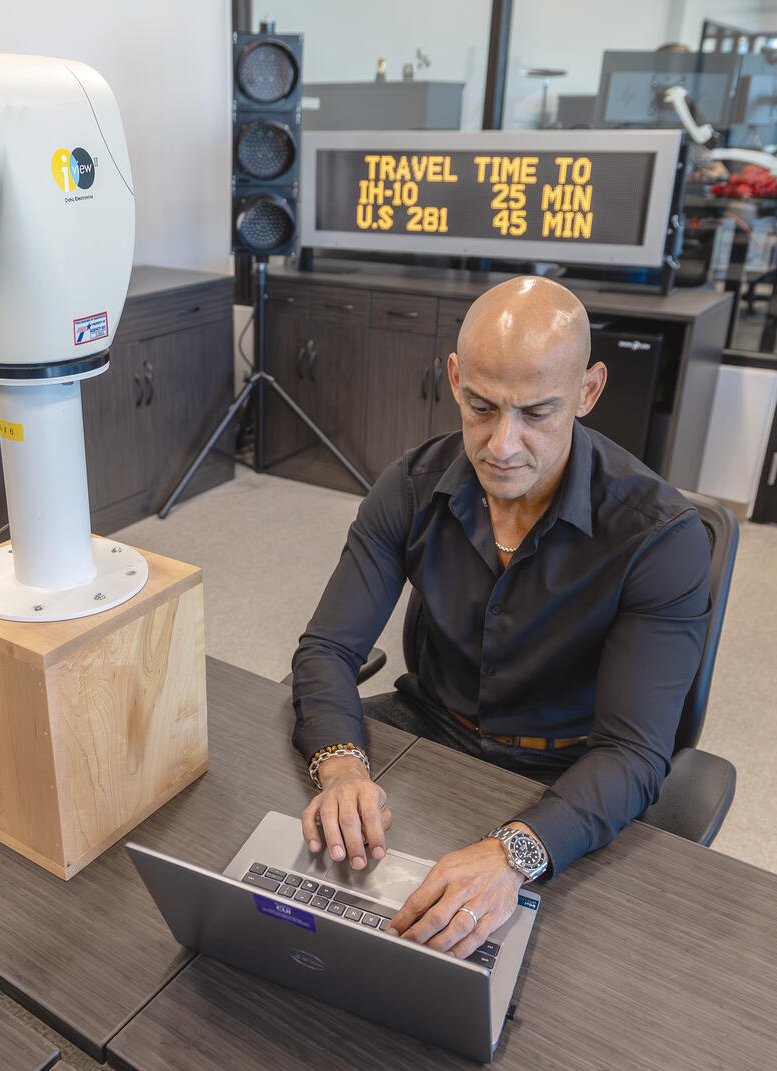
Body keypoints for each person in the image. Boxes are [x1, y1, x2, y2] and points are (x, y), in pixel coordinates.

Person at [290, 275, 710, 963]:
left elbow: (633, 753)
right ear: (454, 378)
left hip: (566, 770)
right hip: (430, 730)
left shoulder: (658, 536)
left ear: (588, 392)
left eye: (537, 413)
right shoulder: (411, 485)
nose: (501, 445)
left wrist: (516, 853)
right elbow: (326, 649)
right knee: (308, 881)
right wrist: (341, 768)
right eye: (481, 407)